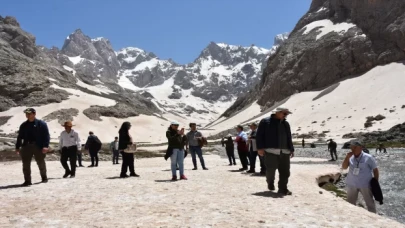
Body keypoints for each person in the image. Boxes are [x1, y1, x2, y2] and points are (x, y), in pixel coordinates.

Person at [257, 107, 294, 196]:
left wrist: (291, 149)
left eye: (287, 114)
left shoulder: (286, 124)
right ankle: (270, 182)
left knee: (285, 172)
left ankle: (282, 189)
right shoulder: (265, 122)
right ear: (277, 112)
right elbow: (259, 135)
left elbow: (289, 137)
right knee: (270, 170)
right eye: (284, 114)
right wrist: (260, 148)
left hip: (285, 151)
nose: (286, 116)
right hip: (271, 151)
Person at [15, 108, 50, 186]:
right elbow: (20, 137)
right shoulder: (23, 125)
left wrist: (45, 146)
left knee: (41, 162)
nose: (27, 115)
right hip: (26, 146)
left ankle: (44, 177)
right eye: (26, 114)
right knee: (25, 164)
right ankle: (27, 181)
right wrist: (17, 147)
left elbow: (46, 136)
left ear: (34, 114)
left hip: (38, 146)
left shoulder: (41, 124)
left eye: (29, 113)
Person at [342, 140, 379, 213]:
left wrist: (375, 182)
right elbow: (344, 167)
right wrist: (347, 157)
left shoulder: (368, 157)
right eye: (352, 147)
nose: (352, 149)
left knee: (370, 203)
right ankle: (351, 216)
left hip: (365, 184)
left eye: (355, 147)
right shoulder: (350, 157)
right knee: (350, 203)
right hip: (352, 184)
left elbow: (375, 170)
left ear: (361, 148)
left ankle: (374, 218)